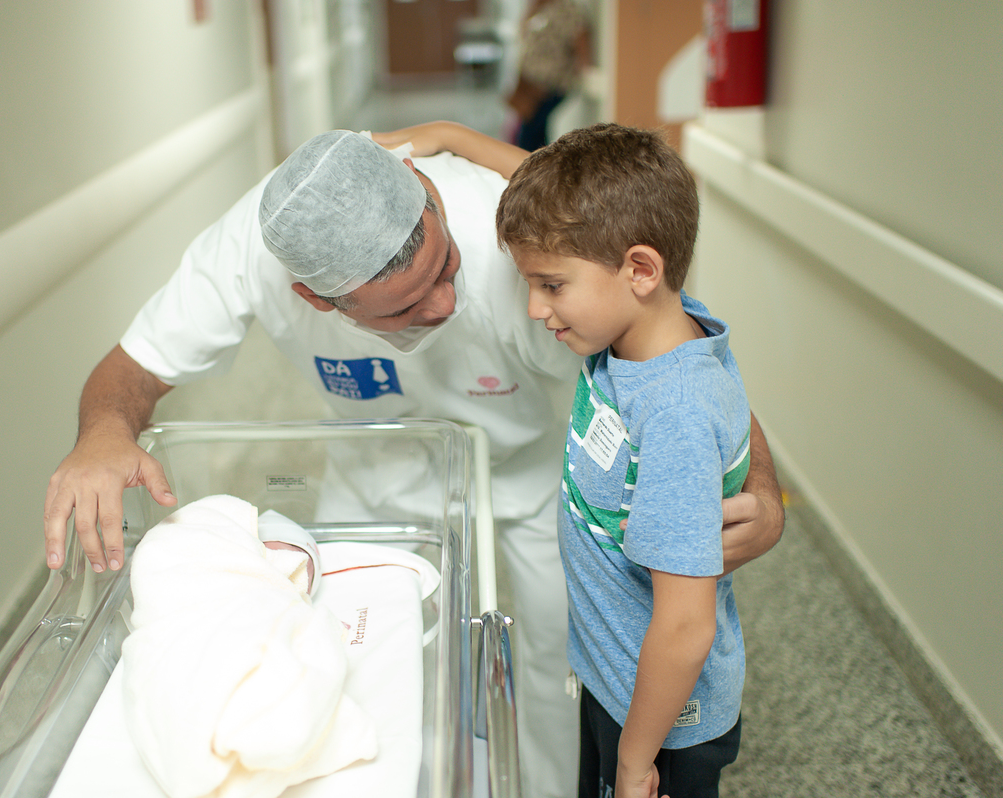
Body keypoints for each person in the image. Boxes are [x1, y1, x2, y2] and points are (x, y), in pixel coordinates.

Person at [43, 128, 784, 798]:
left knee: (557, 658)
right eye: (403, 307)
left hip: (530, 474)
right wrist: (101, 435)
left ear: (430, 196)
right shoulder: (252, 254)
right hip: (373, 471)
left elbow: (678, 355)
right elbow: (133, 367)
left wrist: (762, 487)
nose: (442, 303)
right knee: (352, 650)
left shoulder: (511, 240)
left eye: (446, 267)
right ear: (317, 300)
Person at [498, 123, 748, 798]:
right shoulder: (641, 329)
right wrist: (450, 137)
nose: (535, 308)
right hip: (614, 675)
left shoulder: (674, 415)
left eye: (551, 285)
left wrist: (637, 761)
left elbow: (686, 624)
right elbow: (556, 194)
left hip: (661, 720)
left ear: (640, 270)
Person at [507, 0, 592, 150]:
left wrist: (586, 71)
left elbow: (581, 42)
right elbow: (523, 31)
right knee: (534, 131)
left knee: (530, 133)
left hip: (551, 84)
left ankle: (532, 162)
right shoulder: (539, 7)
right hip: (529, 83)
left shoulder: (570, 9)